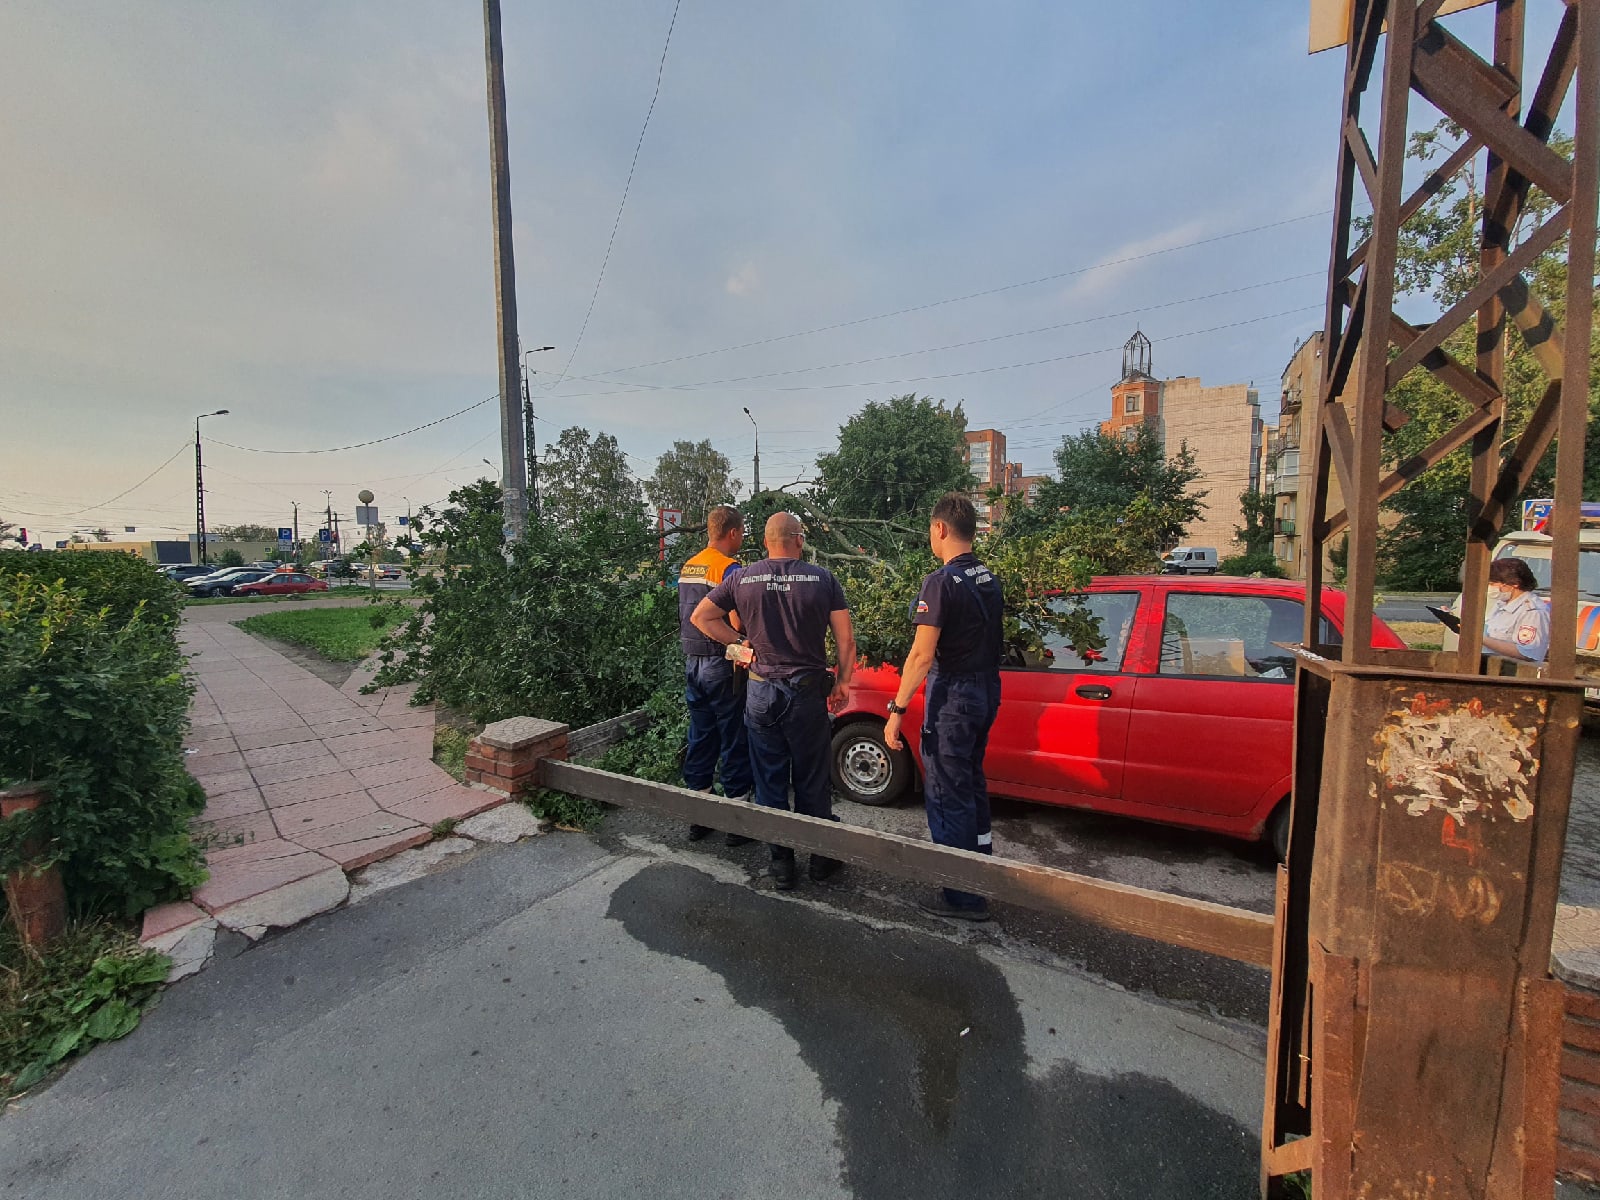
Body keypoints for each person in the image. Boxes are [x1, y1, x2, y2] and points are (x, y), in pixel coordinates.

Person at [692, 512, 856, 891]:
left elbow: (702, 616)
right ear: (798, 540)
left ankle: (781, 864)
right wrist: (843, 683)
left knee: (769, 778)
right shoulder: (823, 578)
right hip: (806, 694)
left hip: (761, 692)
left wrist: (736, 645)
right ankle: (818, 860)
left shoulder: (741, 577)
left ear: (766, 542)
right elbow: (846, 641)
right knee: (812, 778)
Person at [884, 493, 1003, 922]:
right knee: (970, 784)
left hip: (953, 697)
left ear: (939, 529)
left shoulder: (939, 582)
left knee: (947, 792)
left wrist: (896, 711)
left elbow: (920, 656)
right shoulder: (988, 577)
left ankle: (963, 897)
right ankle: (981, 869)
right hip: (986, 690)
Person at [676, 505, 755, 845]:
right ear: (733, 533)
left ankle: (699, 815)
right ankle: (737, 820)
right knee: (733, 736)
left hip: (692, 662)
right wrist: (743, 649)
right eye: (742, 532)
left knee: (701, 735)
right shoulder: (729, 567)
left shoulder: (688, 565)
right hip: (720, 663)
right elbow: (735, 620)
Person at [1482, 556, 1550, 664]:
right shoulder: (1501, 604)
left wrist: (1481, 640)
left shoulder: (1532, 612)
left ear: (1514, 583)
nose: (1489, 588)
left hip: (1513, 674)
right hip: (1490, 668)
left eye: (1492, 584)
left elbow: (1527, 653)